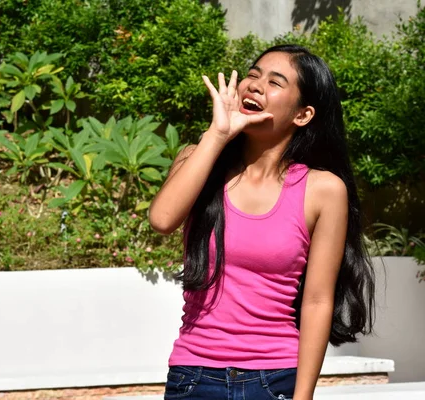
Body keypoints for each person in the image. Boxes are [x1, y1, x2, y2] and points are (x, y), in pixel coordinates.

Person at [148, 44, 375, 400]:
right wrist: (218, 134)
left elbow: (317, 301)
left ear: (302, 115)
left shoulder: (323, 190)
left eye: (275, 82)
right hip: (193, 376)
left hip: (274, 379)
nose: (255, 85)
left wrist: (303, 397)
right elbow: (162, 219)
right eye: (252, 75)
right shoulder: (198, 160)